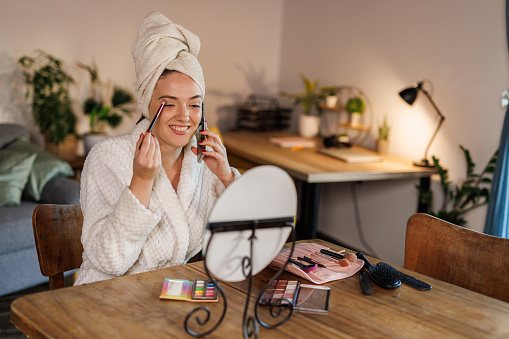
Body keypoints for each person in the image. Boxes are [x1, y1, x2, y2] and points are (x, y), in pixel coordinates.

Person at [74, 12, 240, 285]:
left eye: (195, 104)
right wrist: (141, 181)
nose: (185, 117)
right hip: (104, 300)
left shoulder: (201, 164)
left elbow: (243, 244)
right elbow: (111, 261)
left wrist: (227, 178)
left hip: (168, 298)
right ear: (147, 105)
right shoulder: (108, 158)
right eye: (170, 103)